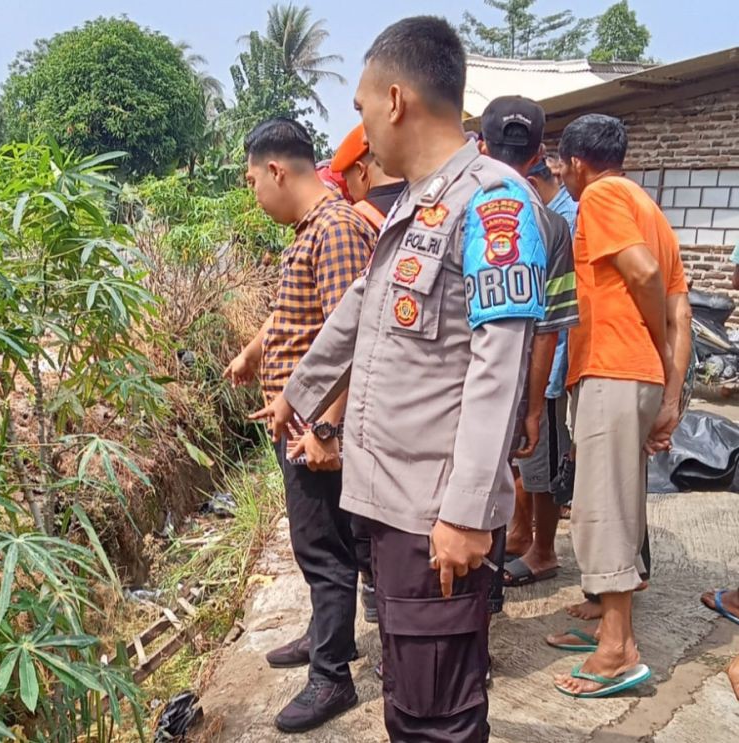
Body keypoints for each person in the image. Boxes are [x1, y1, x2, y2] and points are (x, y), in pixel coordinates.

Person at [254, 17, 546, 740]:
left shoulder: (494, 203)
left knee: (439, 713)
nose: (357, 125)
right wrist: (298, 391)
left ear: (393, 99)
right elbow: (361, 311)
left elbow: (497, 366)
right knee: (410, 702)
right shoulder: (416, 204)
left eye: (357, 107)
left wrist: (470, 512)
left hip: (434, 512)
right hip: (392, 507)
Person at [224, 117, 374, 733]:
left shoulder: (335, 230)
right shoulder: (311, 230)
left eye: (253, 181)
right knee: (321, 542)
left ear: (276, 170)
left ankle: (332, 676)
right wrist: (255, 353)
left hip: (316, 428)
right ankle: (322, 637)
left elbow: (353, 335)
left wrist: (327, 428)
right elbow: (298, 313)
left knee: (325, 549)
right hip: (298, 422)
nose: (254, 194)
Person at [552, 113, 693, 698]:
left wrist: (655, 357)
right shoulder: (649, 208)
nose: (560, 175)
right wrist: (669, 389)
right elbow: (681, 311)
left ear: (577, 164)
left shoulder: (602, 196)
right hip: (634, 377)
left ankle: (618, 648)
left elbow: (645, 274)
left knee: (601, 509)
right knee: (621, 498)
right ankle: (608, 621)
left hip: (613, 366)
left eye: (561, 165)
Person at [473, 103, 579, 590]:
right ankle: (497, 579)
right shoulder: (552, 225)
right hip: (525, 380)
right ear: (539, 153)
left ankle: (531, 555)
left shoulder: (458, 208)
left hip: (467, 383)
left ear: (479, 147)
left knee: (491, 478)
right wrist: (534, 407)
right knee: (514, 472)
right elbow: (548, 328)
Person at [330, 122, 407, 624]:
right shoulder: (418, 205)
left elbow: (346, 327)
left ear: (362, 168)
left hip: (373, 397)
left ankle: (385, 613)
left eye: (346, 183)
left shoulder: (362, 218)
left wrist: (324, 421)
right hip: (410, 393)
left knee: (371, 524)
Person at [331, 122, 406, 231]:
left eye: (346, 179)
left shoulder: (353, 220)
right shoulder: (427, 200)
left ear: (361, 170)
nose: (346, 189)